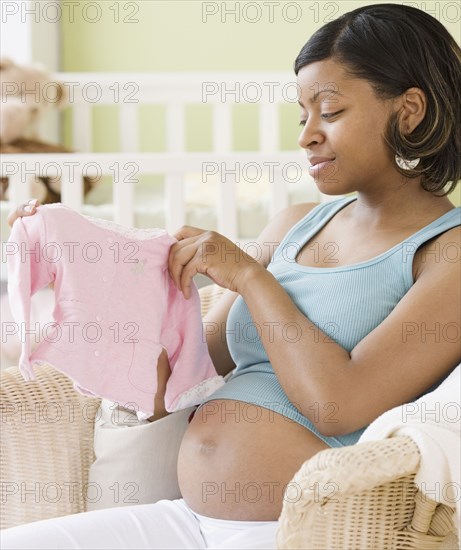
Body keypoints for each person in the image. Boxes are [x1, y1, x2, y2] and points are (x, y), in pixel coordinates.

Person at [2, 3, 460, 548]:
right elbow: (184, 372)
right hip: (188, 521)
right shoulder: (293, 224)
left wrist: (249, 276)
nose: (306, 136)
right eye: (302, 115)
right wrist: (84, 254)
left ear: (408, 111)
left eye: (330, 111)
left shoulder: (446, 253)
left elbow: (340, 405)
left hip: (302, 532)